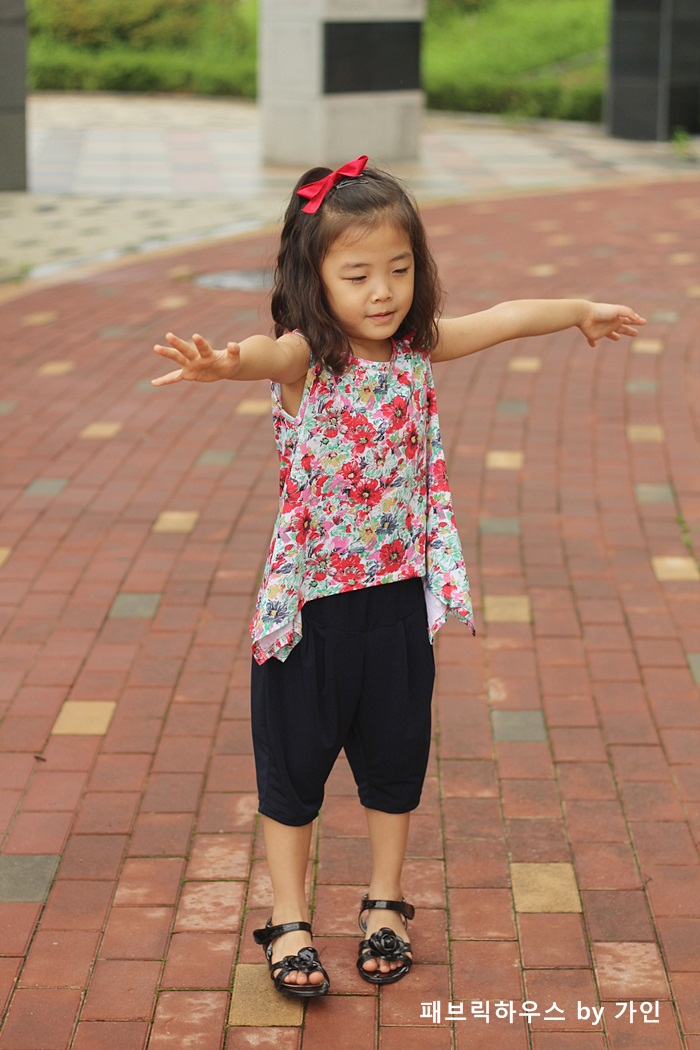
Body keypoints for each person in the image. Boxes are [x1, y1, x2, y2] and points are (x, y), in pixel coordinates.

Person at [152, 155, 645, 998]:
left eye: (400, 269)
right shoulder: (309, 359)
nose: (383, 292)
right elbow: (262, 354)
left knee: (394, 762)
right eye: (357, 275)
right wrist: (222, 364)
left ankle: (386, 901)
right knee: (292, 772)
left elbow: (505, 317)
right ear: (314, 279)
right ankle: (290, 918)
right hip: (309, 610)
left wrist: (578, 312)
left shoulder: (418, 349)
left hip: (397, 602)